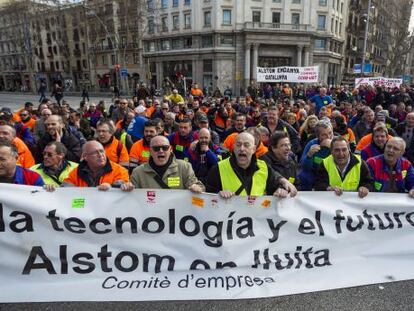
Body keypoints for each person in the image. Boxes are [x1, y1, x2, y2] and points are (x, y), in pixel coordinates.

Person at [205, 132, 297, 198]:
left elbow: (275, 185)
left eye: (246, 145)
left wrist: (280, 190)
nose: (241, 148)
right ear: (233, 148)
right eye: (238, 145)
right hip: (228, 221)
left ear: (253, 149)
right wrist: (218, 194)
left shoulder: (263, 167)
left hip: (256, 222)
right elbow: (207, 195)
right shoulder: (218, 168)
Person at [130, 136, 205, 192]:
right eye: (156, 148)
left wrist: (198, 188)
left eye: (165, 148)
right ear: (150, 151)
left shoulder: (184, 167)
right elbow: (131, 197)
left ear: (170, 149)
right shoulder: (138, 172)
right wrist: (126, 188)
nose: (161, 151)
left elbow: (200, 187)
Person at [63, 141, 132, 191]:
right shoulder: (76, 172)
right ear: (85, 156)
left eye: (102, 151)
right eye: (95, 153)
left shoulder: (120, 170)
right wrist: (53, 189)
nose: (100, 155)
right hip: (85, 207)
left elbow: (123, 185)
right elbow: (65, 188)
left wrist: (111, 187)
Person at [299, 120, 333, 190]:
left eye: (330, 133)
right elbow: (304, 167)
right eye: (324, 135)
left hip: (331, 173)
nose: (328, 137)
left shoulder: (337, 142)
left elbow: (345, 160)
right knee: (303, 175)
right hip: (315, 173)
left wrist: (332, 148)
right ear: (318, 136)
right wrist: (309, 155)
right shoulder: (312, 144)